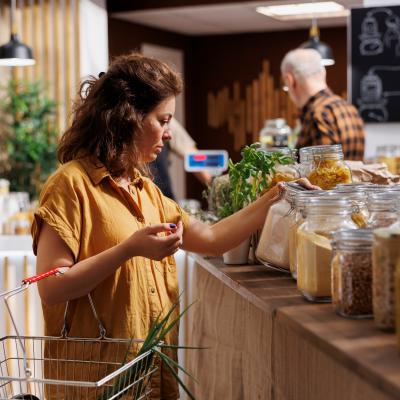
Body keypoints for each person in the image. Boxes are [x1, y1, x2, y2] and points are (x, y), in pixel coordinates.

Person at [32, 52, 312, 399]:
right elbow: (51, 287)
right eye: (162, 120)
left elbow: (211, 238)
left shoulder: (145, 190)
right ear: (128, 118)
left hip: (147, 375)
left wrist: (278, 194)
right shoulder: (70, 185)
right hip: (97, 381)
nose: (167, 135)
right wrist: (128, 250)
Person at [281, 48, 365, 161]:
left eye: (286, 86)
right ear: (323, 72)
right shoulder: (350, 108)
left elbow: (323, 172)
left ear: (290, 80)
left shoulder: (317, 114)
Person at [151, 117, 212, 200]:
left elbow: (192, 155)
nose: (168, 135)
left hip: (164, 200)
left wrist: (214, 183)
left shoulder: (167, 119)